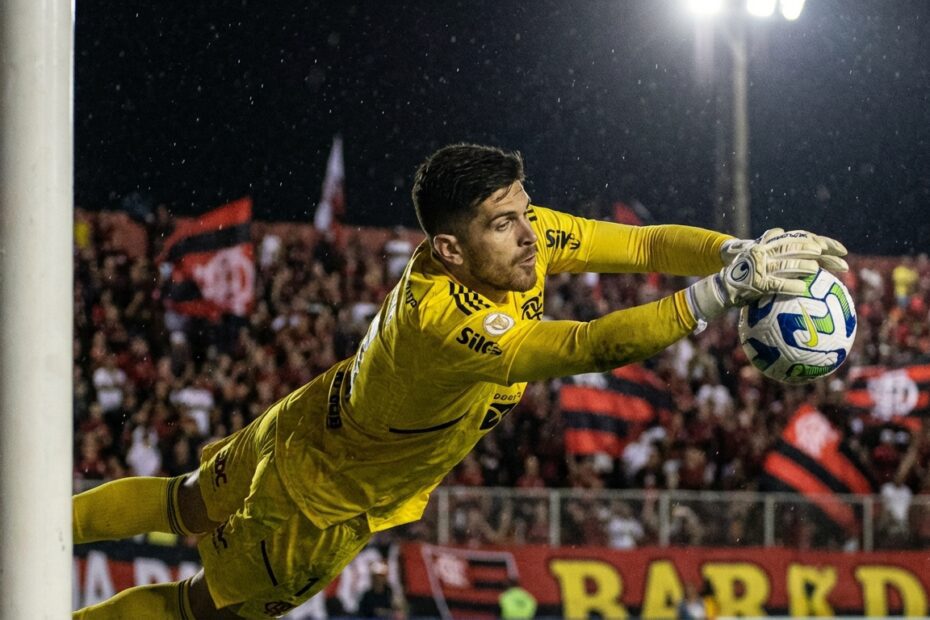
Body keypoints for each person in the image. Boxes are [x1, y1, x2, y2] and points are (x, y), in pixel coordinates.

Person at [72, 143, 848, 618]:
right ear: (448, 248)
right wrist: (720, 292)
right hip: (322, 502)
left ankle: (34, 531)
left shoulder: (513, 240)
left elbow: (643, 247)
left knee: (183, 502)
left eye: (524, 210)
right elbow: (588, 343)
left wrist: (734, 250)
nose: (529, 234)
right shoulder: (450, 324)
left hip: (312, 415)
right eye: (503, 223)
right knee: (201, 611)